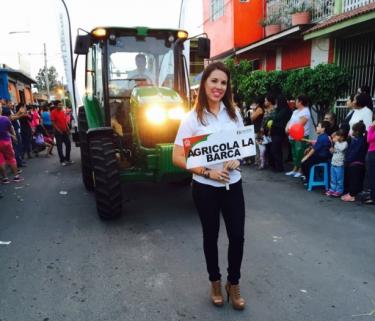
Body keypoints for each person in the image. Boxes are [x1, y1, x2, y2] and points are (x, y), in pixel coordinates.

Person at [172, 62, 246, 310]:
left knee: (237, 236)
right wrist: (207, 172)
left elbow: (243, 147)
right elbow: (178, 157)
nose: (218, 87)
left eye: (223, 82)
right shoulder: (191, 119)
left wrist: (238, 159)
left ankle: (232, 283)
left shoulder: (234, 115)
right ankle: (215, 282)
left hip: (233, 184)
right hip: (205, 187)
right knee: (210, 236)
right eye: (214, 81)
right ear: (204, 83)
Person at [285, 95, 311, 178]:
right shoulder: (295, 111)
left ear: (300, 102)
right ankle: (294, 169)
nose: (295, 102)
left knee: (300, 152)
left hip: (301, 136)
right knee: (294, 153)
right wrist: (287, 127)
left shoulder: (306, 111)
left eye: (296, 101)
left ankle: (300, 170)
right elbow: (290, 121)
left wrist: (290, 130)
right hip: (292, 135)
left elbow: (300, 124)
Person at [341, 121, 367, 202]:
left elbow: (354, 153)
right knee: (351, 178)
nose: (351, 132)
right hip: (353, 162)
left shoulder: (360, 141)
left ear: (357, 132)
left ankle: (352, 194)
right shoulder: (356, 140)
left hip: (357, 163)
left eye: (353, 130)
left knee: (354, 179)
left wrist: (347, 160)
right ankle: (350, 192)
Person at [0, 103, 23, 183]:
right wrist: (13, 136)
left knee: (1, 160)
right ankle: (16, 176)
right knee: (11, 158)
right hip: (6, 141)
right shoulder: (5, 119)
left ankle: (5, 178)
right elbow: (11, 129)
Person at [270, 95, 292, 172]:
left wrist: (274, 111)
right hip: (276, 131)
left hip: (279, 131)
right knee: (277, 149)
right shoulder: (281, 109)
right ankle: (277, 166)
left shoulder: (284, 110)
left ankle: (279, 167)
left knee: (275, 149)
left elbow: (276, 118)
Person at [326, 129, 348, 197]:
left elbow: (341, 148)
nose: (337, 137)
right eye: (337, 135)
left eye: (338, 136)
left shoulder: (345, 143)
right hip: (333, 162)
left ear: (343, 137)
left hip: (340, 164)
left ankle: (339, 191)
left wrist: (336, 142)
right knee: (333, 178)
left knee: (339, 179)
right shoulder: (336, 142)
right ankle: (332, 189)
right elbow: (335, 151)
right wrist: (331, 150)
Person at [50, 101, 73, 166]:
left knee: (68, 144)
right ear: (56, 106)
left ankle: (67, 159)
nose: (61, 106)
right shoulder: (53, 112)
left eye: (61, 105)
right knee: (59, 147)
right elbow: (53, 123)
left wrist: (68, 128)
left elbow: (65, 121)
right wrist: (58, 130)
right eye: (59, 105)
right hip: (58, 132)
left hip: (65, 131)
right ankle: (62, 160)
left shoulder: (62, 112)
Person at [365, 120, 375, 204]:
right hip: (372, 152)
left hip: (373, 153)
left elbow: (369, 139)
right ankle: (372, 195)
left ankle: (373, 198)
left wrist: (371, 127)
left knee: (372, 176)